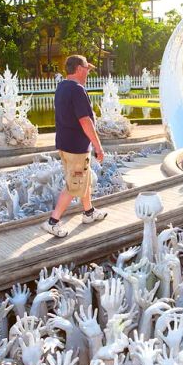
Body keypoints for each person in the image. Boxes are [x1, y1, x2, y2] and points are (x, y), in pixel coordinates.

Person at [41, 55, 108, 237]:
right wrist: (98, 146)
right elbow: (85, 121)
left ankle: (89, 212)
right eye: (87, 68)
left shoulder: (62, 87)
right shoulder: (78, 90)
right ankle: (53, 222)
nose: (88, 72)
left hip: (65, 144)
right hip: (76, 148)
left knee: (82, 178)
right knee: (74, 184)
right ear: (79, 68)